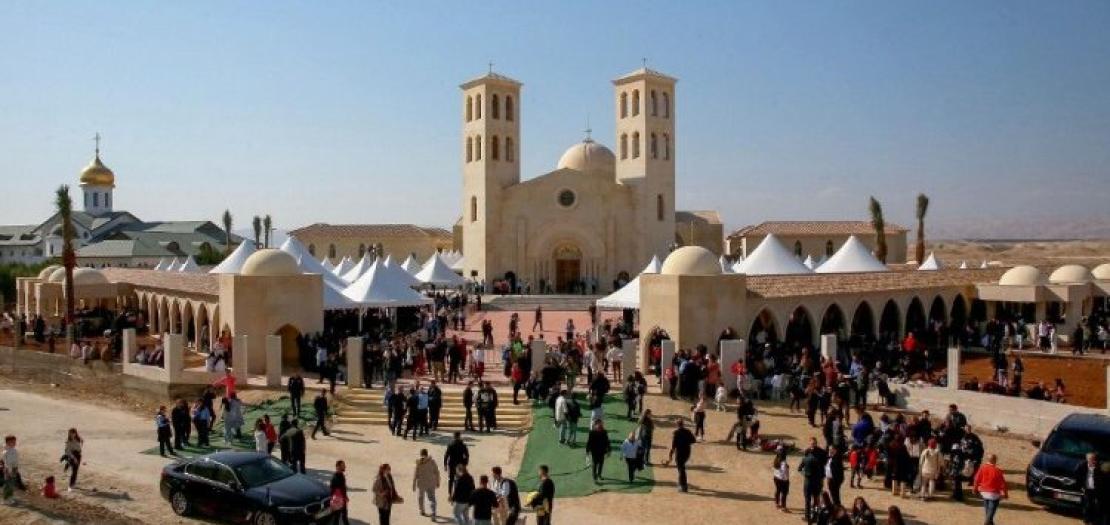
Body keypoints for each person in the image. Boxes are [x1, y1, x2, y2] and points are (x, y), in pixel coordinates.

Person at [972, 454, 1008, 525]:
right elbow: (1003, 484)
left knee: (988, 512)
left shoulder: (982, 468)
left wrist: (975, 489)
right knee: (990, 515)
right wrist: (1005, 494)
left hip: (984, 493)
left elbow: (976, 479)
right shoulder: (997, 470)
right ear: (994, 460)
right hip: (994, 495)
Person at [799, 437, 827, 522]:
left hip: (814, 480)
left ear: (816, 443)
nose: (813, 445)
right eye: (812, 444)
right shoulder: (811, 451)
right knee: (813, 499)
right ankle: (812, 517)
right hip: (816, 479)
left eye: (814, 443)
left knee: (814, 499)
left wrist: (805, 474)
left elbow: (801, 467)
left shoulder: (819, 453)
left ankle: (811, 517)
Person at [666, 419, 697, 492]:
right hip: (687, 452)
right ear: (683, 424)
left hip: (679, 453)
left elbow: (673, 446)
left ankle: (683, 486)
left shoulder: (676, 433)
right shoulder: (688, 431)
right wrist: (686, 442)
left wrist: (670, 456)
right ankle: (682, 484)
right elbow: (694, 440)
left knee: (681, 470)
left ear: (677, 425)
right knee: (682, 468)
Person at [1078, 452, 1107, 525]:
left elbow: (1103, 479)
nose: (1093, 461)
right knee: (1088, 505)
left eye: (1094, 459)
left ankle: (1096, 521)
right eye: (1091, 459)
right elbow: (1078, 476)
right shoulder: (1082, 466)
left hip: (1097, 489)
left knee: (1098, 505)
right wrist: (1081, 486)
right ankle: (1087, 520)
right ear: (1087, 459)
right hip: (1087, 489)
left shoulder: (1100, 467)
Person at [413, 448, 440, 518]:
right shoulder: (432, 461)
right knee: (432, 498)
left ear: (421, 454)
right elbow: (437, 472)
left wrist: (413, 484)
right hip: (431, 482)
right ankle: (433, 512)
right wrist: (438, 481)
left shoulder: (418, 463)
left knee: (420, 497)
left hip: (421, 483)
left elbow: (415, 474)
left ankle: (422, 511)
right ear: (427, 454)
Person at [330, 460, 350, 525]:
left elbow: (343, 488)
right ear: (338, 467)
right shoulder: (335, 478)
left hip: (342, 499)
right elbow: (332, 490)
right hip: (338, 500)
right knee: (337, 518)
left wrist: (345, 497)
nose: (345, 467)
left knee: (344, 517)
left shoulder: (341, 475)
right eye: (343, 465)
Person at [772, 447, 790, 512]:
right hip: (783, 480)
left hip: (776, 478)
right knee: (784, 493)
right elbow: (784, 473)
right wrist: (786, 480)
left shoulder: (776, 459)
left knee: (777, 490)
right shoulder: (784, 463)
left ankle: (777, 503)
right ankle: (783, 507)